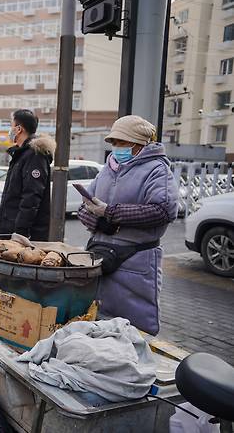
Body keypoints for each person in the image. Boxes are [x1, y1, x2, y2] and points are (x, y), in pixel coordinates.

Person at [78, 115, 178, 335]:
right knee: (99, 322)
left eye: (122, 142)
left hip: (136, 260)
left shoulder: (157, 170)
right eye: (113, 143)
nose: (116, 148)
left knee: (134, 330)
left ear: (139, 144)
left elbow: (164, 210)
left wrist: (111, 213)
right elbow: (83, 207)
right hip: (102, 254)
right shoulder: (107, 168)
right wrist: (98, 220)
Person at [0, 109, 55, 241]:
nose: (10, 130)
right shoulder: (21, 154)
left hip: (21, 235)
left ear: (19, 129)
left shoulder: (34, 155)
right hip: (9, 229)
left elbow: (31, 198)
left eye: (11, 125)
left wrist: (20, 233)